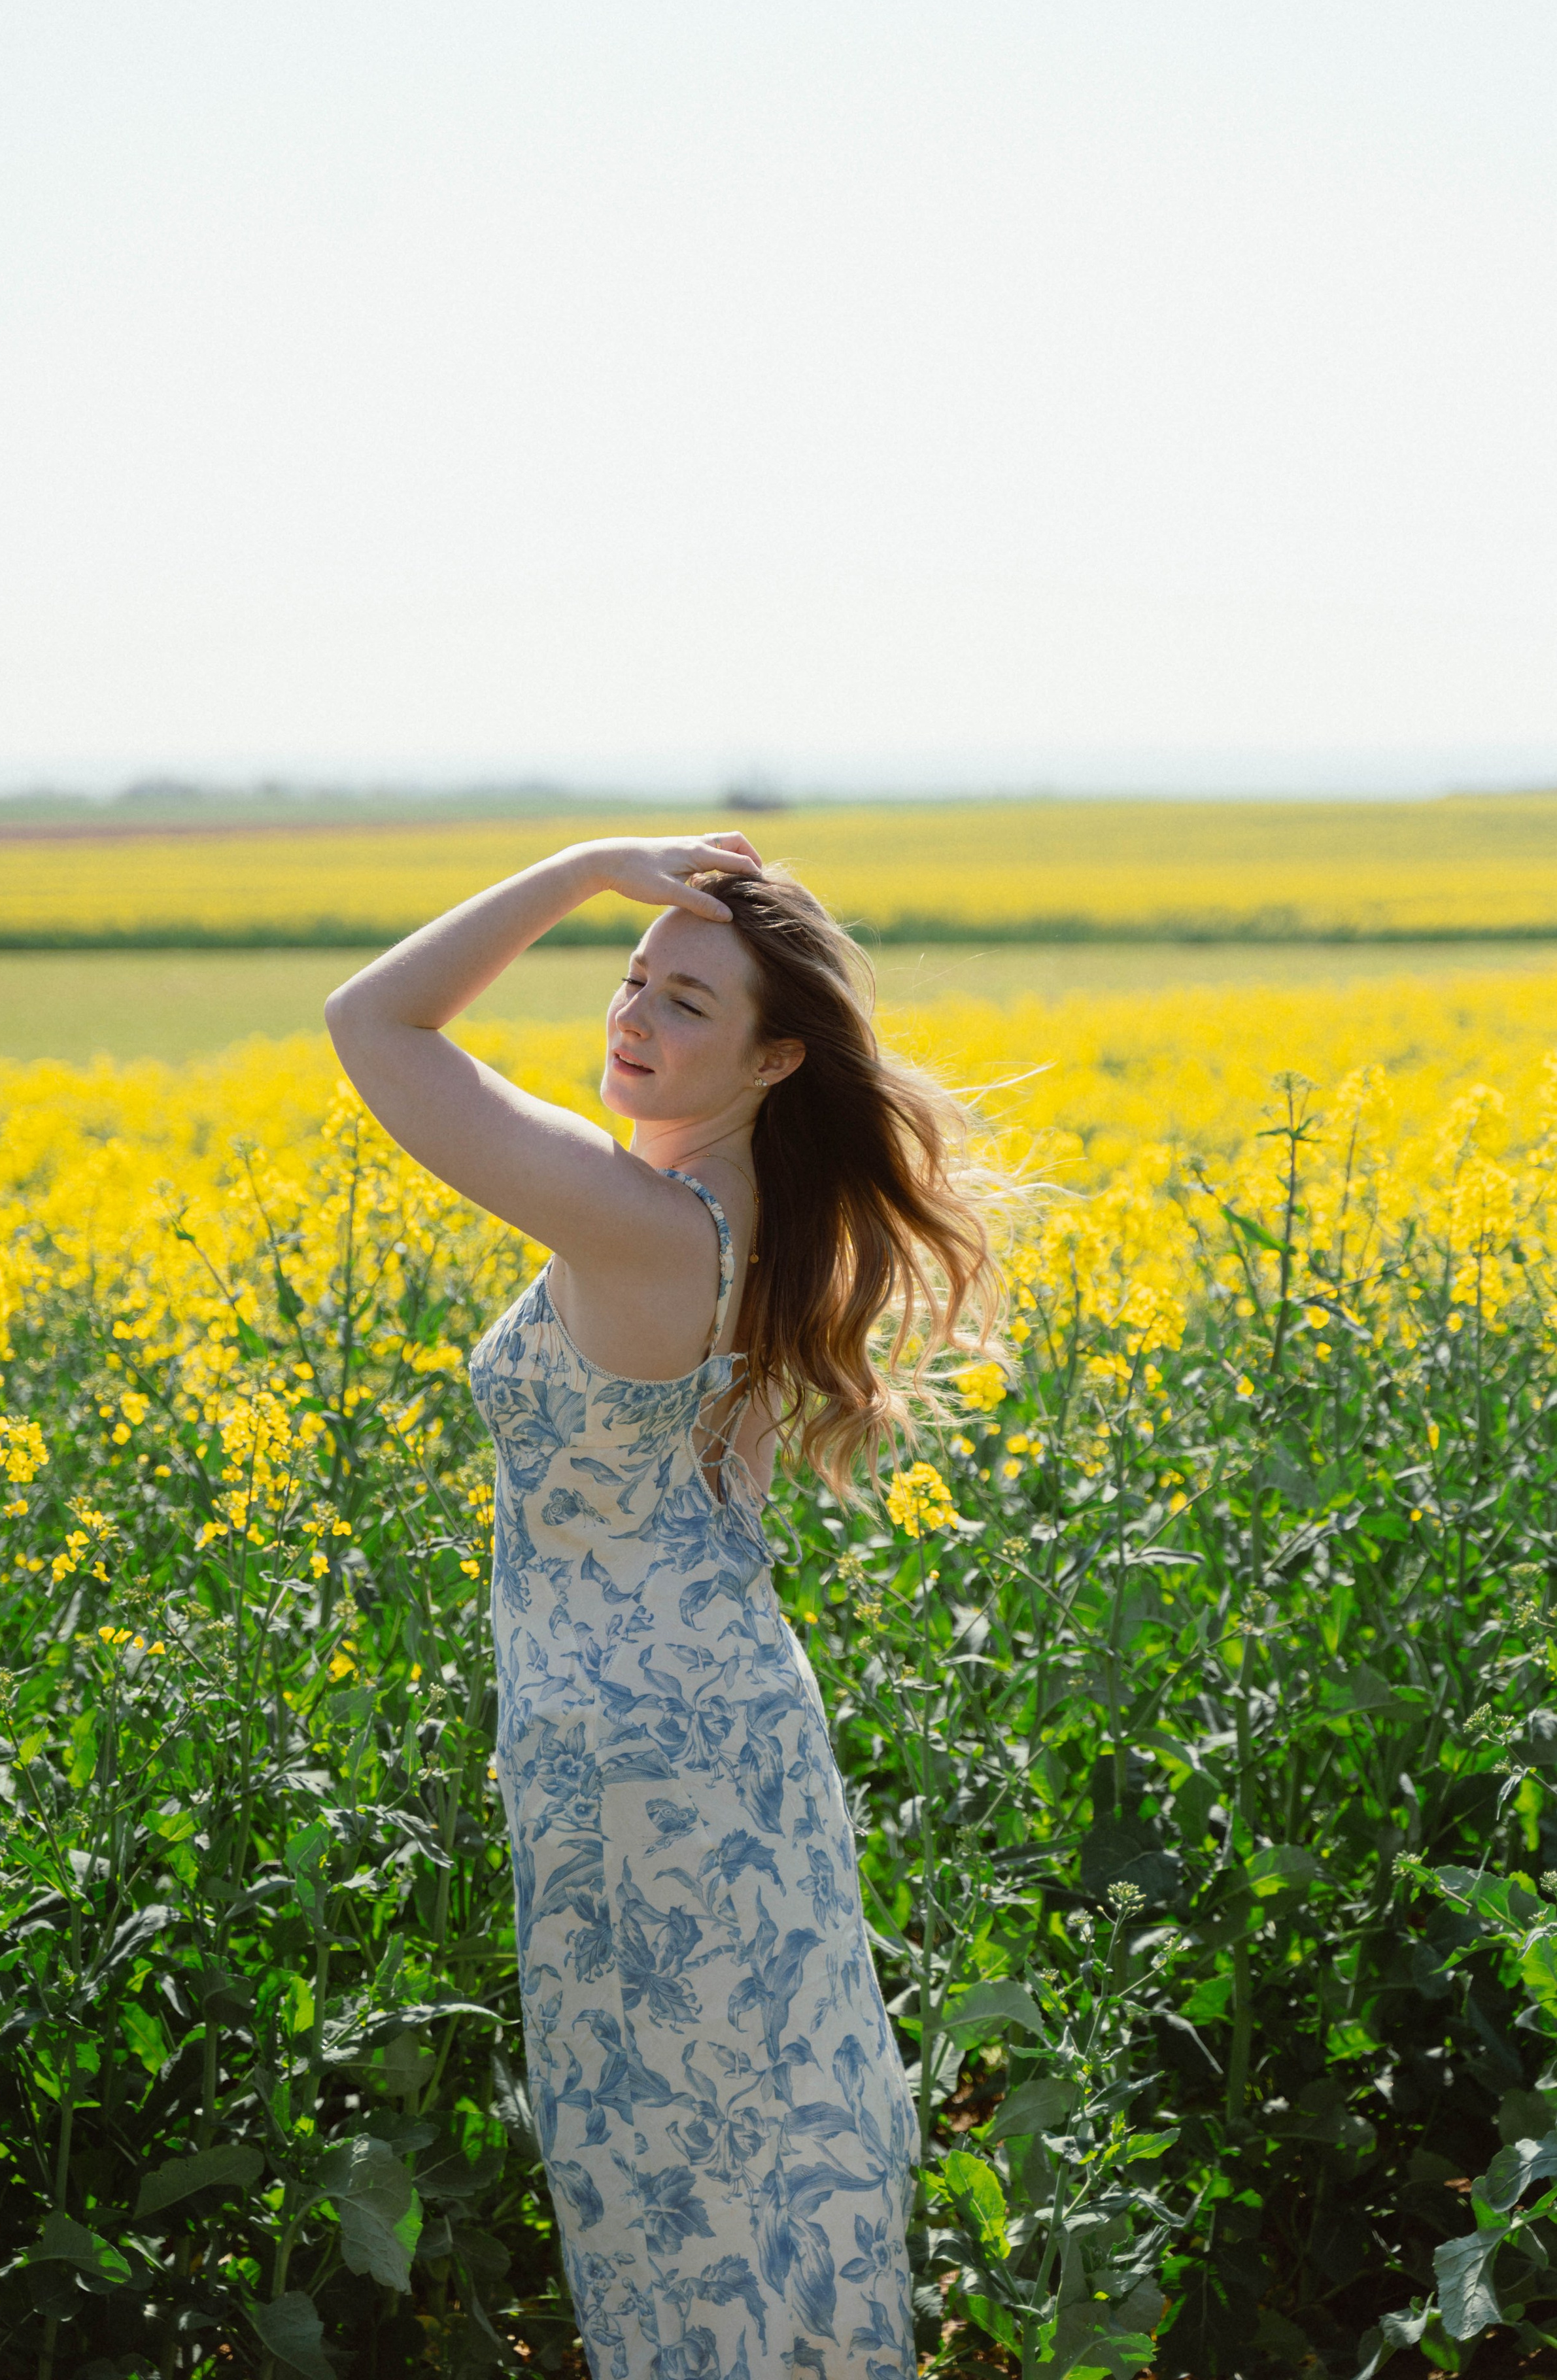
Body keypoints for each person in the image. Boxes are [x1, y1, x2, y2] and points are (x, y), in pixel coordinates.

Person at [326, 833, 1002, 2380]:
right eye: (632, 977)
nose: (631, 1012)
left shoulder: (643, 1226)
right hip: (722, 1739)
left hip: (638, 1776)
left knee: (665, 2183)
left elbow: (372, 1023)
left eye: (684, 1000)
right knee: (766, 2150)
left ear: (775, 1055)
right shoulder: (756, 1220)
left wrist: (582, 870)